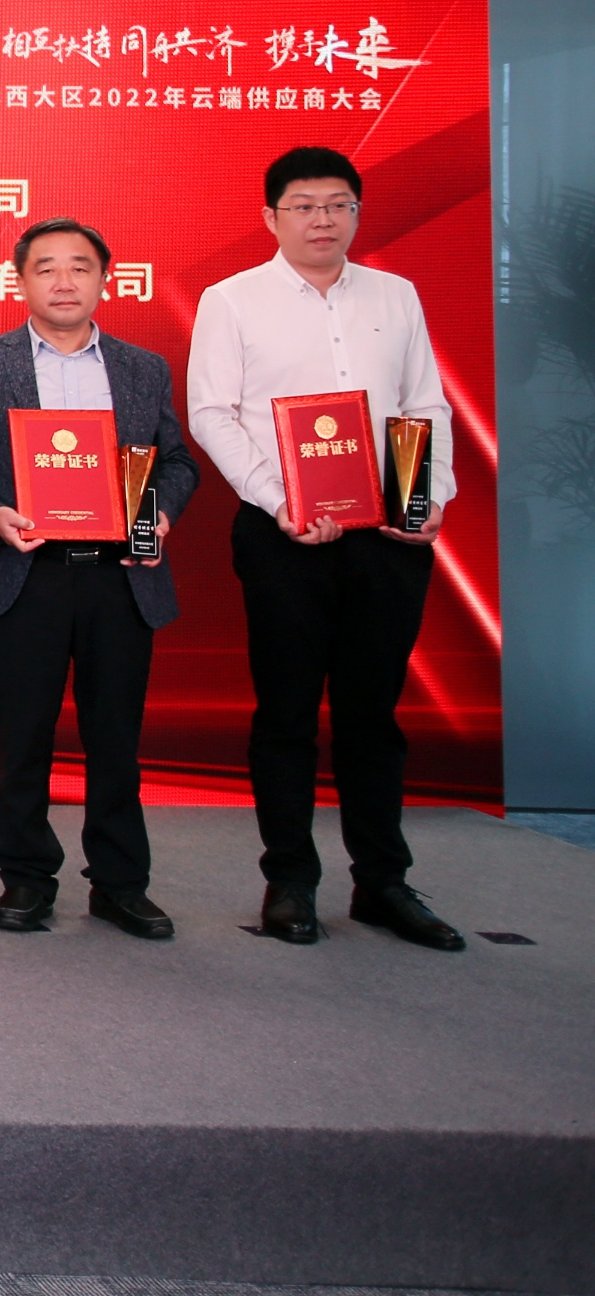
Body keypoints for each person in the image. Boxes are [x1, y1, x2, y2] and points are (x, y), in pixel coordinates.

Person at [187, 146, 463, 951]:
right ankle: (290, 882)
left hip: (387, 537)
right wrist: (280, 503)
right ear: (270, 217)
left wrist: (426, 498)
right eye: (304, 206)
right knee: (286, 714)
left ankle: (383, 881)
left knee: (374, 715)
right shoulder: (232, 300)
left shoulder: (394, 295)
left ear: (357, 214)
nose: (323, 220)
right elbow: (212, 413)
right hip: (284, 538)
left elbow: (424, 405)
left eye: (339, 205)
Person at [0, 217, 199, 939]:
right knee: (25, 735)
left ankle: (120, 883)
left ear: (105, 279)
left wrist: (158, 515)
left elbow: (177, 462)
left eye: (80, 266)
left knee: (116, 737)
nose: (64, 281)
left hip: (120, 577)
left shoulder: (143, 368)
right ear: (21, 282)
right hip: (27, 573)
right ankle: (25, 877)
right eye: (46, 268)